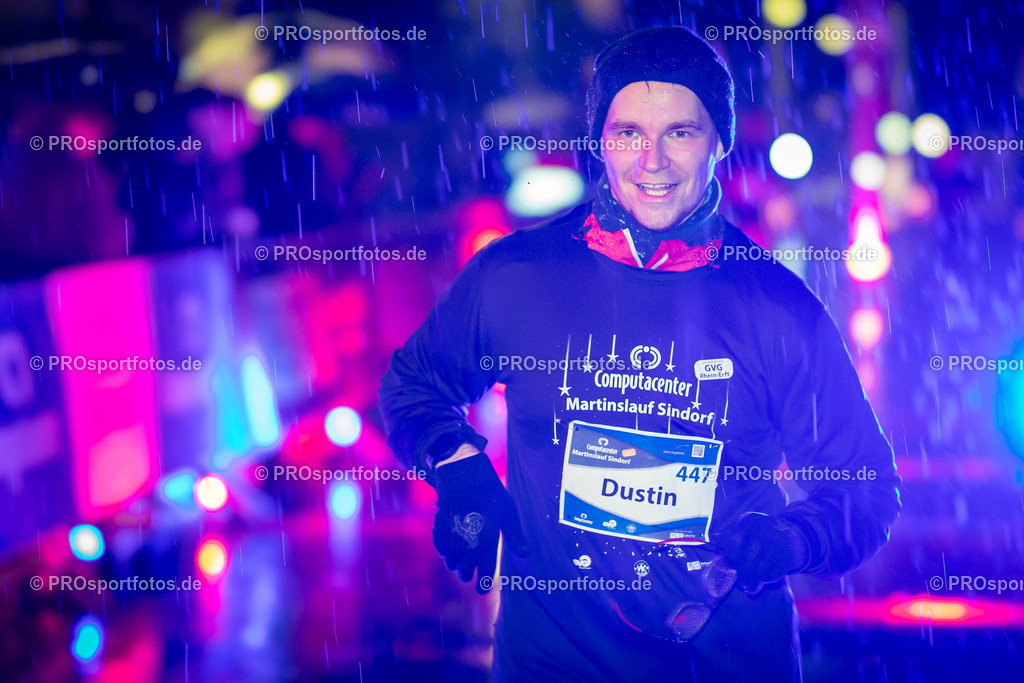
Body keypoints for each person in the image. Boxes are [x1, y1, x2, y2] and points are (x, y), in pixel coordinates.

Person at [378, 26, 901, 683]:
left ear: (718, 142)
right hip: (553, 663)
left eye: (680, 132)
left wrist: (792, 538)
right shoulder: (517, 275)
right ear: (600, 140)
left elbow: (867, 488)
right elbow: (412, 385)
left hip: (727, 662)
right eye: (629, 132)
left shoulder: (777, 308)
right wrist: (458, 470)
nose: (651, 161)